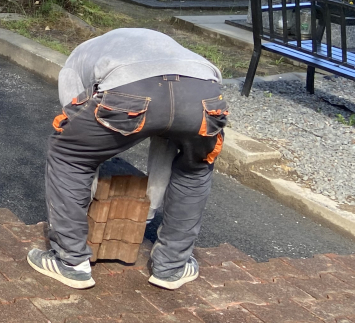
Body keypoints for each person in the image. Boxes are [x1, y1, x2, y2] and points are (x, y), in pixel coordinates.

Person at [28, 28, 226, 291]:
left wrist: (90, 180)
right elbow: (165, 134)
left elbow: (76, 126)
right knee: (195, 167)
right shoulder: (160, 43)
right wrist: (149, 207)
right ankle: (172, 267)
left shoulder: (77, 60)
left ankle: (71, 262)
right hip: (203, 95)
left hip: (131, 90)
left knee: (69, 154)